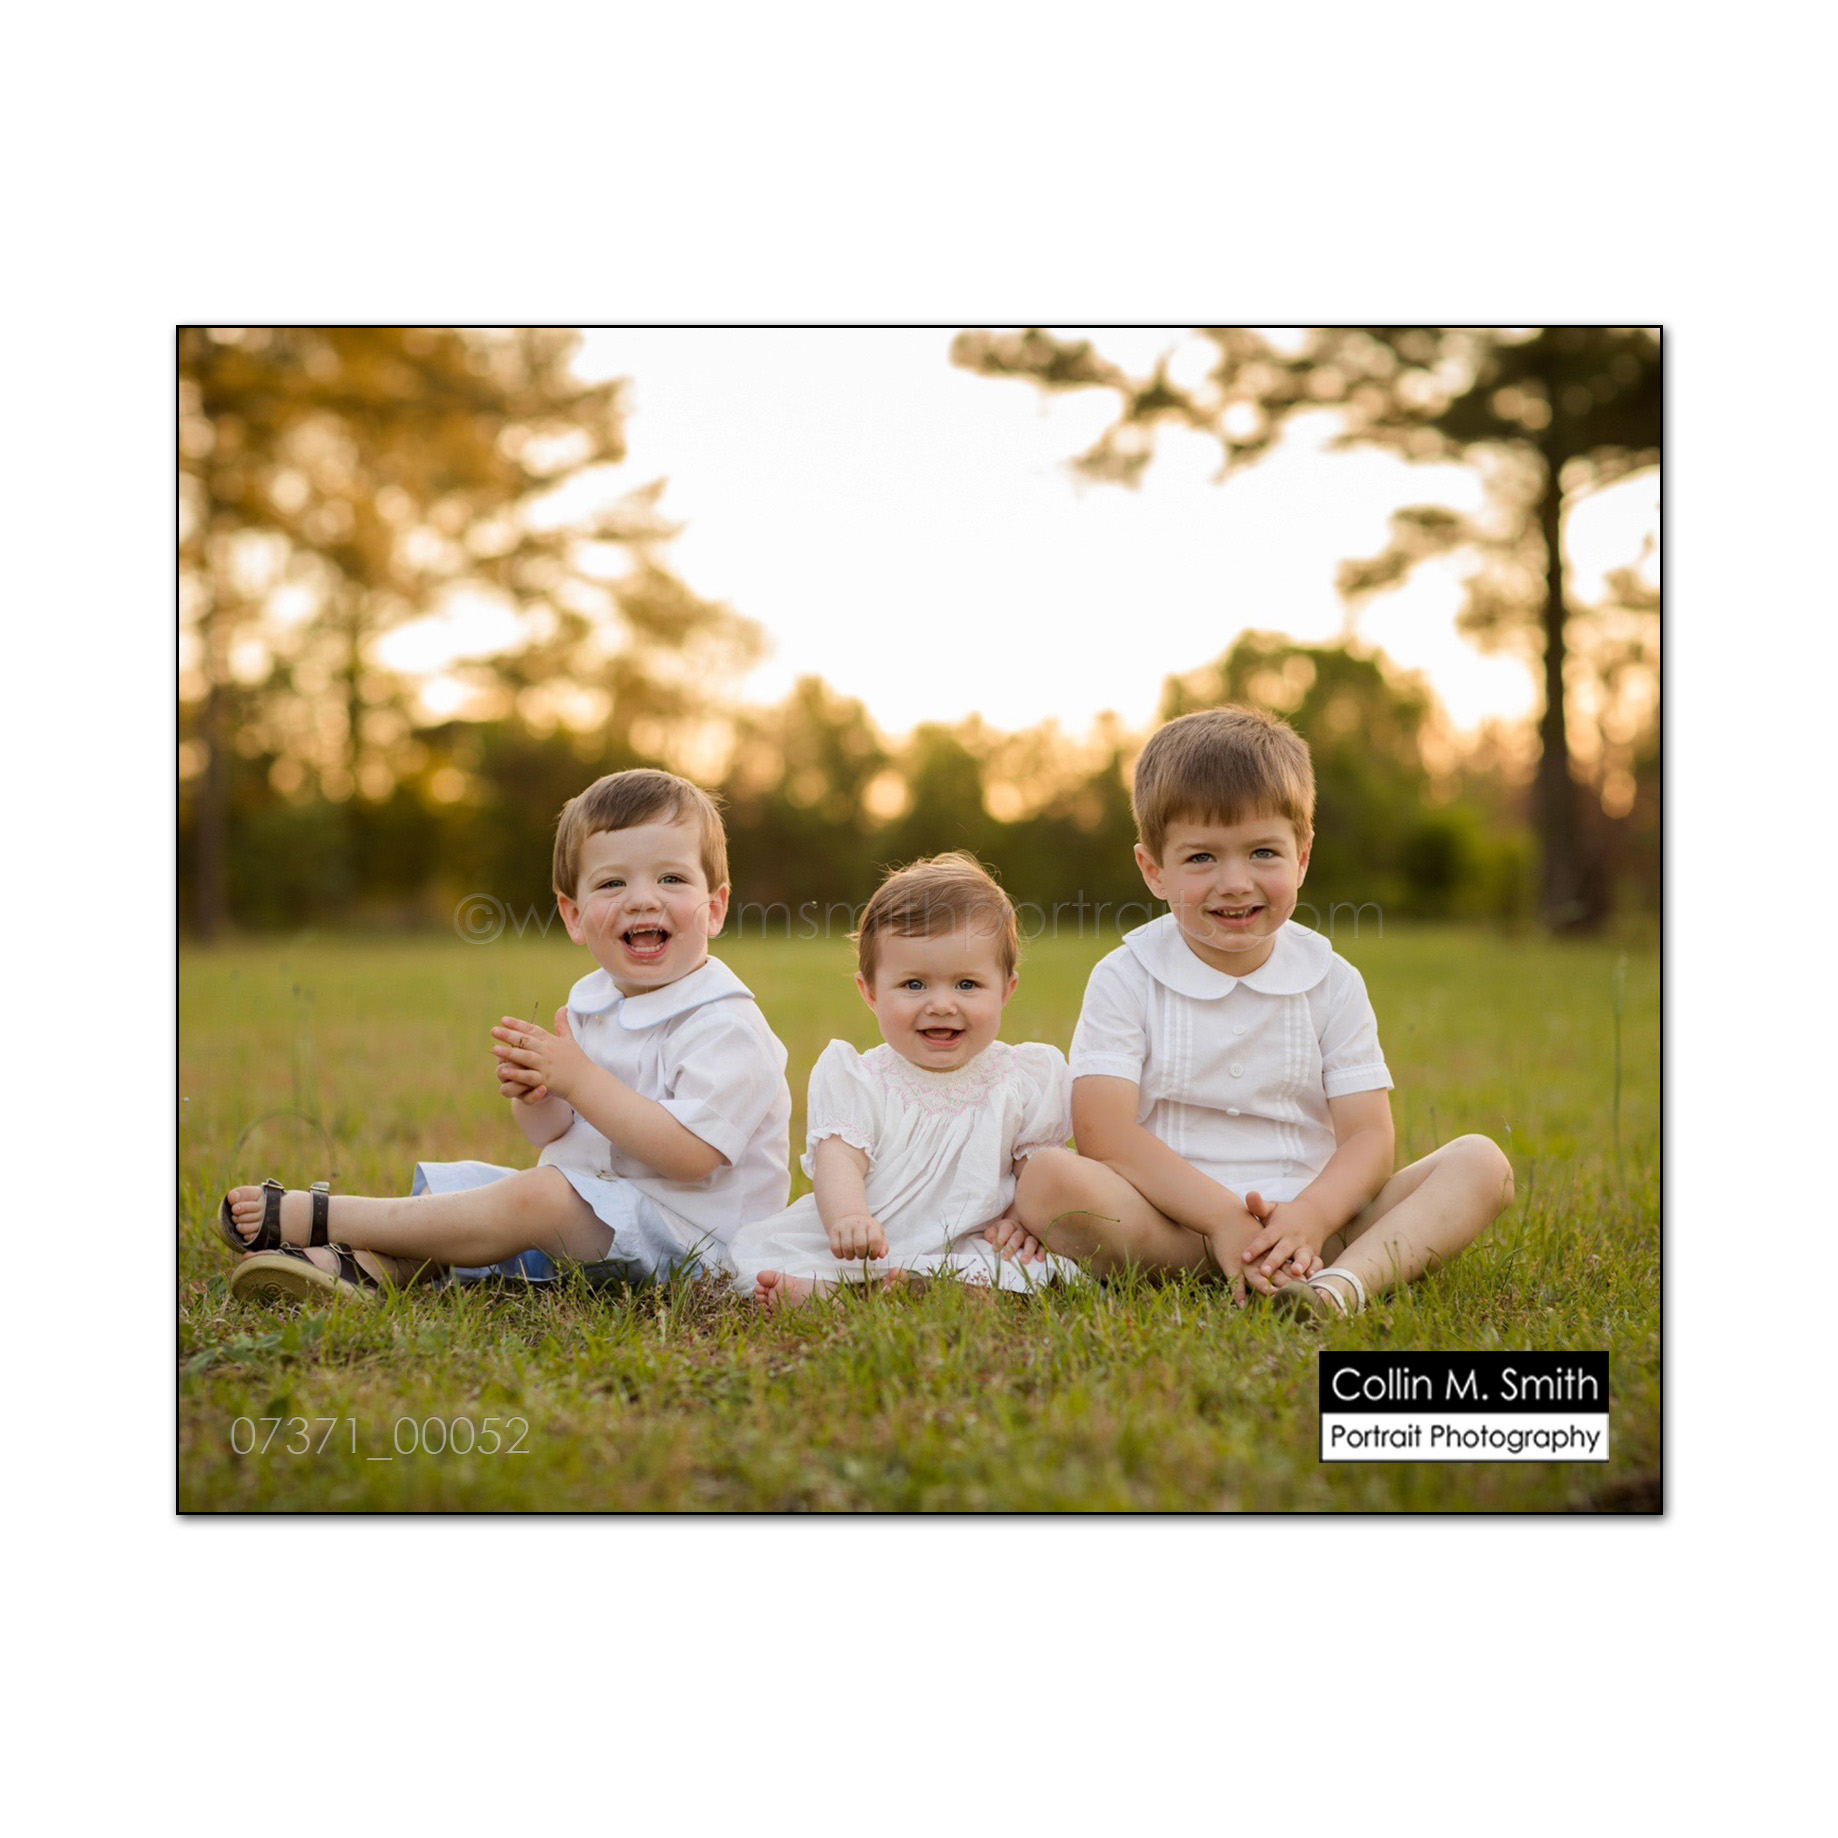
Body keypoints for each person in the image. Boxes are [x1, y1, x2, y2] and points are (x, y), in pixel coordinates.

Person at [1015, 706, 1514, 1319]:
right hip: (1174, 1228)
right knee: (1047, 1179)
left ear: (1301, 856)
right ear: (1154, 870)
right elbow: (1103, 1132)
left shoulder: (1332, 980)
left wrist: (1311, 1217)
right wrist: (1222, 1220)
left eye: (1262, 852)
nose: (1234, 882)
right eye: (1201, 858)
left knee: (1482, 1164)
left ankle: (1336, 1288)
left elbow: (1368, 1137)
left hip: (1319, 1226)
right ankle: (1217, 1263)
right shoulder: (1126, 976)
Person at [220, 770, 792, 1301]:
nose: (643, 899)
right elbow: (555, 1134)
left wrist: (579, 1080)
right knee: (470, 1190)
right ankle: (363, 1268)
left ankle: (328, 1218)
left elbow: (691, 1156)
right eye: (613, 882)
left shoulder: (726, 1024)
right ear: (574, 916)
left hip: (697, 1247)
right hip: (598, 1220)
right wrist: (539, 1095)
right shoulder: (595, 1003)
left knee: (537, 1196)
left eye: (671, 878)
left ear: (715, 908)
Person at [730, 852, 1078, 1310]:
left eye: (967, 985)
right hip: (876, 1236)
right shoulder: (860, 1078)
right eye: (914, 984)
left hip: (974, 1236)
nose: (941, 1004)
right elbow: (839, 1159)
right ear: (870, 992)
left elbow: (1034, 1170)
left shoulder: (1024, 1077)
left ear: (1006, 990)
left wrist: (1016, 1219)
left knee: (1013, 1268)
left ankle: (910, 1289)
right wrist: (849, 1218)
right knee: (792, 1254)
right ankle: (839, 1289)